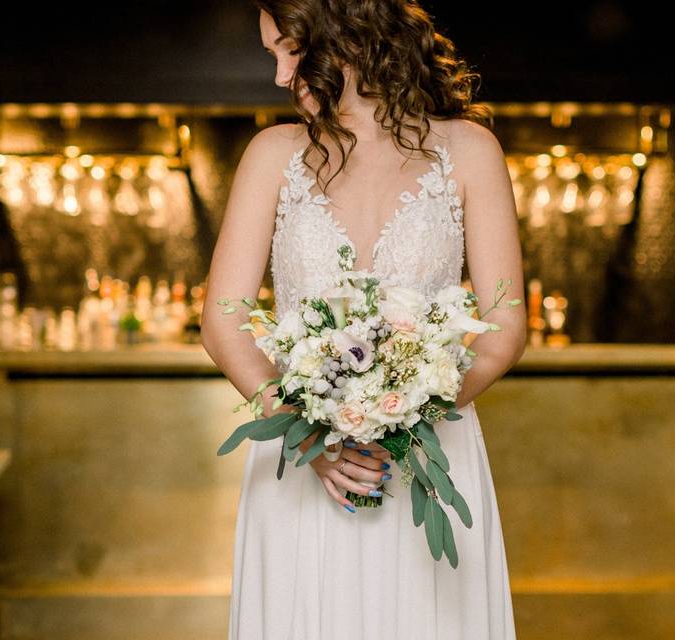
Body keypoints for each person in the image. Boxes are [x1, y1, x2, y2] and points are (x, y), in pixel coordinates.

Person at [201, 1, 526, 638]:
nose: (278, 75)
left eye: (288, 50)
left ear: (345, 38)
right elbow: (222, 319)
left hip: (430, 460)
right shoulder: (273, 155)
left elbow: (505, 323)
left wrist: (400, 415)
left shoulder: (469, 152)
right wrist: (311, 434)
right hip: (303, 462)